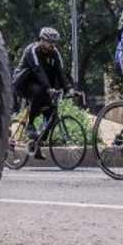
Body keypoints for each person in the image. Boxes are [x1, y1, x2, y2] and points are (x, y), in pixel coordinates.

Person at [12, 27, 73, 156]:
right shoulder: (32, 50)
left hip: (42, 85)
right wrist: (48, 88)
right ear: (42, 40)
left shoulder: (55, 53)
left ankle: (37, 144)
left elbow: (60, 72)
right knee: (38, 91)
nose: (52, 45)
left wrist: (69, 89)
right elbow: (38, 70)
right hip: (24, 83)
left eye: (54, 42)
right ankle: (30, 124)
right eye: (50, 42)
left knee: (52, 115)